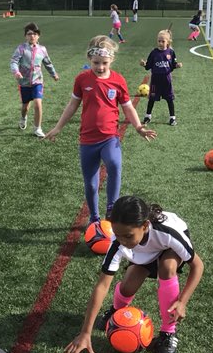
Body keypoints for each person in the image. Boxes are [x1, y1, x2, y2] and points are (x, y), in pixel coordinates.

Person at [65, 195, 204, 353]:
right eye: (118, 234)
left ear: (144, 226)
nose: (122, 240)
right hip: (144, 252)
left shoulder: (167, 233)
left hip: (167, 249)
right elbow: (102, 286)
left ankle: (168, 332)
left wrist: (182, 301)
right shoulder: (119, 242)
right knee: (128, 285)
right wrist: (85, 332)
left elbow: (198, 266)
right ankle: (116, 311)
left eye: (128, 236)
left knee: (167, 267)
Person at [44, 36, 156, 223]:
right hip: (87, 140)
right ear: (89, 59)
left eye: (104, 63)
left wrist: (138, 127)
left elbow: (127, 107)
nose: (100, 67)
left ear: (111, 60)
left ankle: (111, 208)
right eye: (96, 63)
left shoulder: (118, 80)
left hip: (109, 137)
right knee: (90, 184)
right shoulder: (82, 79)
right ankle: (94, 218)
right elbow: (72, 105)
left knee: (114, 164)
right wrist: (58, 127)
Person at [10, 22, 60, 137]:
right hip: (24, 83)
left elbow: (48, 63)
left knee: (38, 103)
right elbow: (14, 61)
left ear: (38, 36)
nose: (32, 36)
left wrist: (54, 74)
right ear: (25, 36)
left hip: (37, 81)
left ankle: (37, 128)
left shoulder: (42, 49)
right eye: (29, 34)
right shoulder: (21, 48)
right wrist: (16, 72)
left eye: (35, 34)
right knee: (25, 107)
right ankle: (23, 118)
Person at [140, 29, 182, 126]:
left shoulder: (171, 52)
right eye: (159, 41)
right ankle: (147, 116)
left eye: (163, 41)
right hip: (155, 81)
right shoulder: (154, 53)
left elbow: (172, 65)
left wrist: (177, 65)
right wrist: (143, 64)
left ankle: (172, 118)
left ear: (168, 42)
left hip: (166, 81)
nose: (160, 43)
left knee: (169, 99)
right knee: (152, 98)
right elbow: (148, 66)